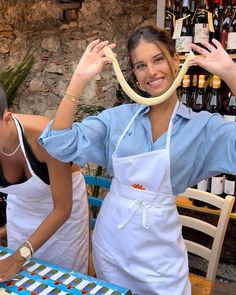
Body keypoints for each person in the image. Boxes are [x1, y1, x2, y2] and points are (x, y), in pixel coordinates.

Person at [39, 25, 236, 295]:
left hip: (160, 257)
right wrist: (79, 79)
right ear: (134, 74)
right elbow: (60, 145)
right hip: (111, 247)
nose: (151, 72)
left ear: (175, 60)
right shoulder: (118, 119)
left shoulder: (202, 128)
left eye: (158, 60)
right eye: (140, 66)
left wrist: (230, 73)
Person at [0, 84, 89, 282]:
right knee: (20, 282)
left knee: (61, 282)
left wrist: (18, 257)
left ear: (7, 119)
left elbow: (63, 209)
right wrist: (15, 256)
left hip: (63, 217)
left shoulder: (44, 136)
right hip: (21, 213)